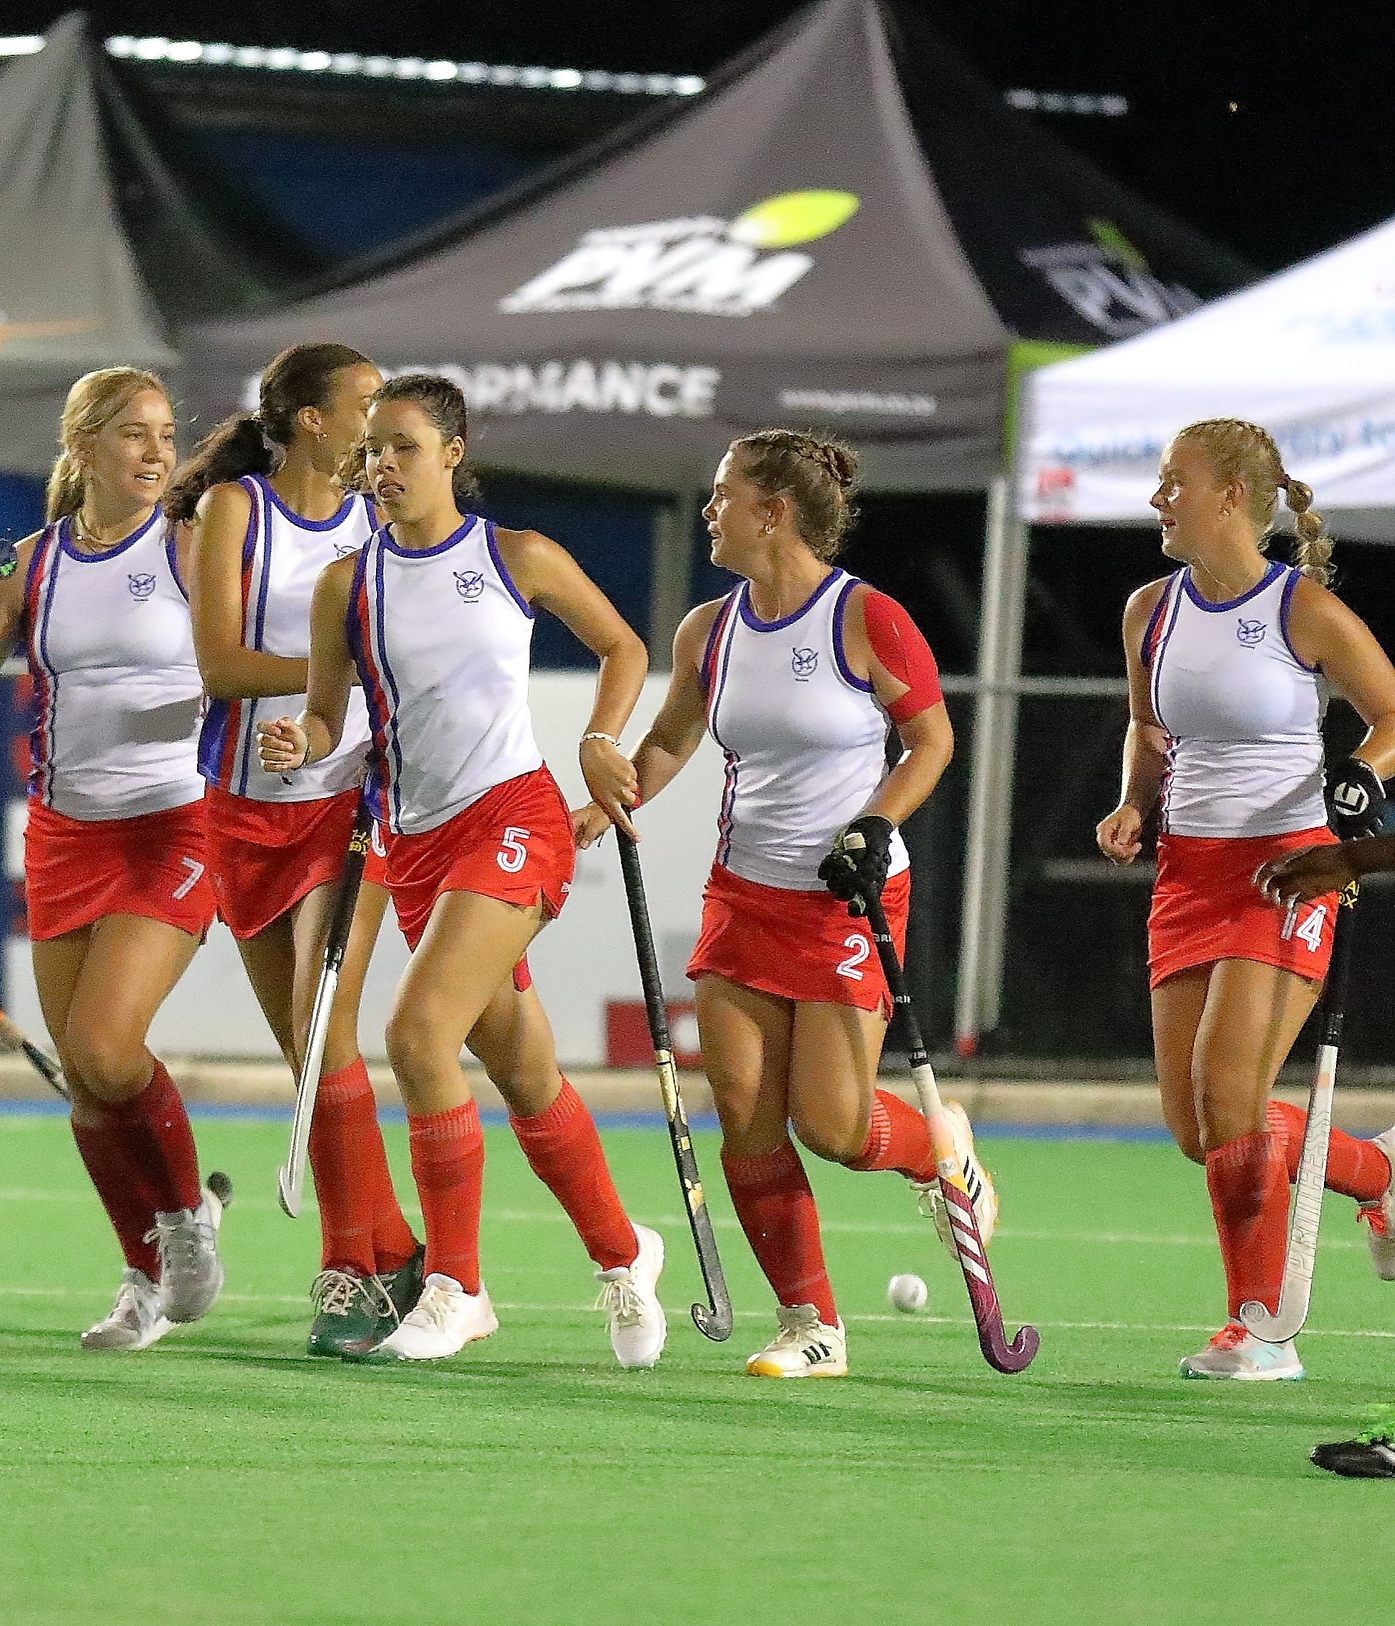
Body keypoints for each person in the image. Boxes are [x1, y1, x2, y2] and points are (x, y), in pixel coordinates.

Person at [257, 372, 666, 1368]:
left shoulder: (516, 556)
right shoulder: (346, 585)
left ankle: (457, 1286)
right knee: (524, 1072)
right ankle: (625, 1253)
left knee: (416, 1033)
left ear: (451, 452)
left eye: (402, 446)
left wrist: (599, 741)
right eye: (372, 449)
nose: (382, 465)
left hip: (514, 817)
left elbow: (621, 647)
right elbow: (326, 714)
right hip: (417, 844)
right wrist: (302, 740)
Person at [575, 428, 992, 1379]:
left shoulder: (866, 618)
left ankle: (938, 1149)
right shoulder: (708, 629)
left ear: (774, 512)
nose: (709, 510)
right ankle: (811, 1324)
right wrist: (602, 806)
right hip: (743, 894)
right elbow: (671, 741)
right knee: (746, 1117)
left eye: (724, 495)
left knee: (835, 1127)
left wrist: (876, 823)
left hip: (847, 897)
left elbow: (930, 741)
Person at [1095, 417, 1395, 1381]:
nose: (1157, 498)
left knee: (1231, 1097)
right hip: (1188, 873)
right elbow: (1148, 728)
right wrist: (1133, 802)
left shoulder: (1300, 607)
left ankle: (1261, 1330)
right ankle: (1380, 1173)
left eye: (1172, 481)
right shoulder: (1150, 610)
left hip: (1288, 868)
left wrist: (1361, 772)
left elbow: (1393, 712)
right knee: (1199, 1126)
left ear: (1230, 495)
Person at [0, 367, 225, 1351]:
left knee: (108, 1050)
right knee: (84, 1075)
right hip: (66, 834)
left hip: (174, 826)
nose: (157, 453)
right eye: (134, 435)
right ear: (84, 447)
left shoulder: (195, 550)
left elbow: (254, 660)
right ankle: (142, 1274)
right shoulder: (24, 569)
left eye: (166, 435)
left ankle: (186, 1217)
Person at [168, 343, 424, 1358]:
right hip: (240, 809)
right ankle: (399, 1250)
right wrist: (340, 667)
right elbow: (220, 665)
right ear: (312, 419)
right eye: (365, 402)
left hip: (343, 805)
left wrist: (353, 699)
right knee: (307, 1056)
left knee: (328, 1033)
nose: (379, 418)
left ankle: (349, 1269)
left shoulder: (379, 520)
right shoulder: (235, 509)